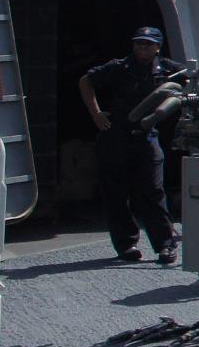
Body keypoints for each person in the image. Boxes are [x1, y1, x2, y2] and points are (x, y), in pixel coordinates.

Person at [79, 26, 184, 264]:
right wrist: (96, 114)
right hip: (116, 136)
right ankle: (126, 245)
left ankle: (165, 246)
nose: (142, 48)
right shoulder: (119, 67)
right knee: (116, 194)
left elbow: (190, 85)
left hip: (147, 136)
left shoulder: (169, 70)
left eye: (147, 44)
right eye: (139, 43)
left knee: (154, 192)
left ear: (157, 47)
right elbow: (86, 82)